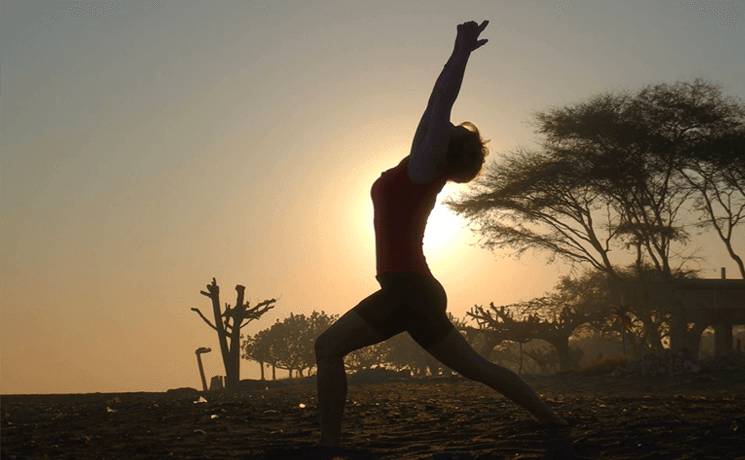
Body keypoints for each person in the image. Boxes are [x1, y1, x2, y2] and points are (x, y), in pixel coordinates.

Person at [314, 20, 567, 448]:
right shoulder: (417, 163)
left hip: (408, 291)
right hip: (415, 290)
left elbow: (443, 99)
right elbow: (436, 102)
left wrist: (462, 52)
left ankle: (328, 445)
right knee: (476, 367)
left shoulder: (425, 168)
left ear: (446, 150)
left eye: (452, 130)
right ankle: (551, 418)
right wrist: (456, 54)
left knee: (327, 347)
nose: (445, 125)